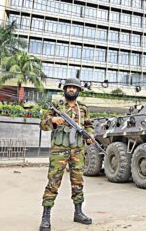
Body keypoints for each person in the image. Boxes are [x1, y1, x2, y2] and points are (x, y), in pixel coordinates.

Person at [39, 78, 93, 231]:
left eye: (74, 88)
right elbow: (43, 124)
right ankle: (46, 217)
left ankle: (78, 212)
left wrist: (90, 136)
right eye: (68, 87)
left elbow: (89, 125)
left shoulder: (83, 108)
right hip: (59, 151)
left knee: (78, 182)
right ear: (65, 90)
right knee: (53, 182)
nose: (71, 89)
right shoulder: (57, 106)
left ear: (78, 91)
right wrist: (53, 120)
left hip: (77, 150)